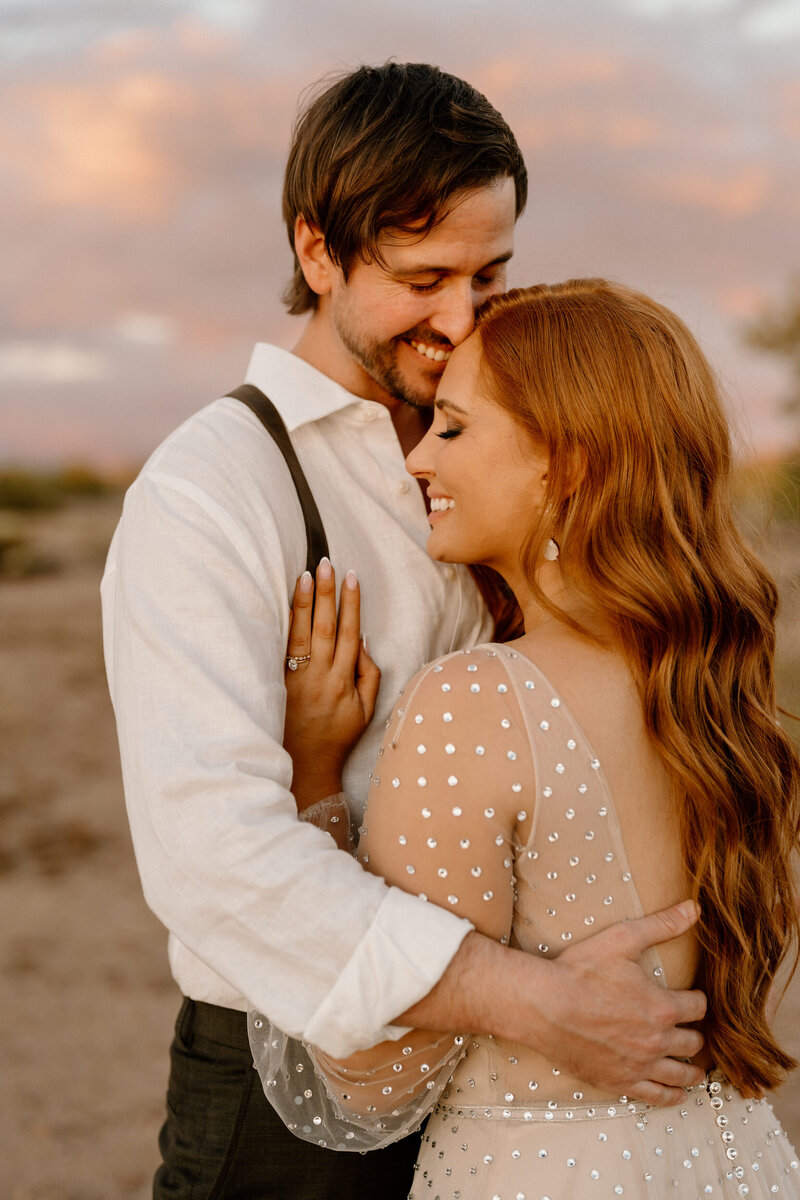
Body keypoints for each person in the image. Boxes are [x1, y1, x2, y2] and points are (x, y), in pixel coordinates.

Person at [101, 63, 706, 1200]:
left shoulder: (515, 433)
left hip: (525, 1091)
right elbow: (210, 857)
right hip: (302, 1080)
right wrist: (523, 997)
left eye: (489, 273)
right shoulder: (209, 492)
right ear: (316, 251)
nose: (462, 316)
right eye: (423, 277)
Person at [252, 279, 800, 1199]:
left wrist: (312, 782)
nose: (417, 456)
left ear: (568, 464)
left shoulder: (475, 701)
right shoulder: (706, 681)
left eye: (455, 428)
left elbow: (371, 1077)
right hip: (731, 1160)